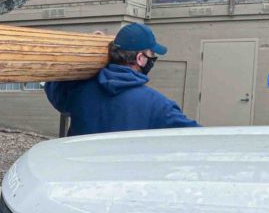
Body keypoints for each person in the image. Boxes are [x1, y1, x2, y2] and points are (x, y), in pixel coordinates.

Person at [45, 22, 199, 135]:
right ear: (140, 58)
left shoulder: (78, 91)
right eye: (152, 55)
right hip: (125, 179)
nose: (153, 59)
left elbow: (53, 84)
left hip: (80, 177)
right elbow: (201, 138)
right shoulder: (158, 106)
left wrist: (88, 51)